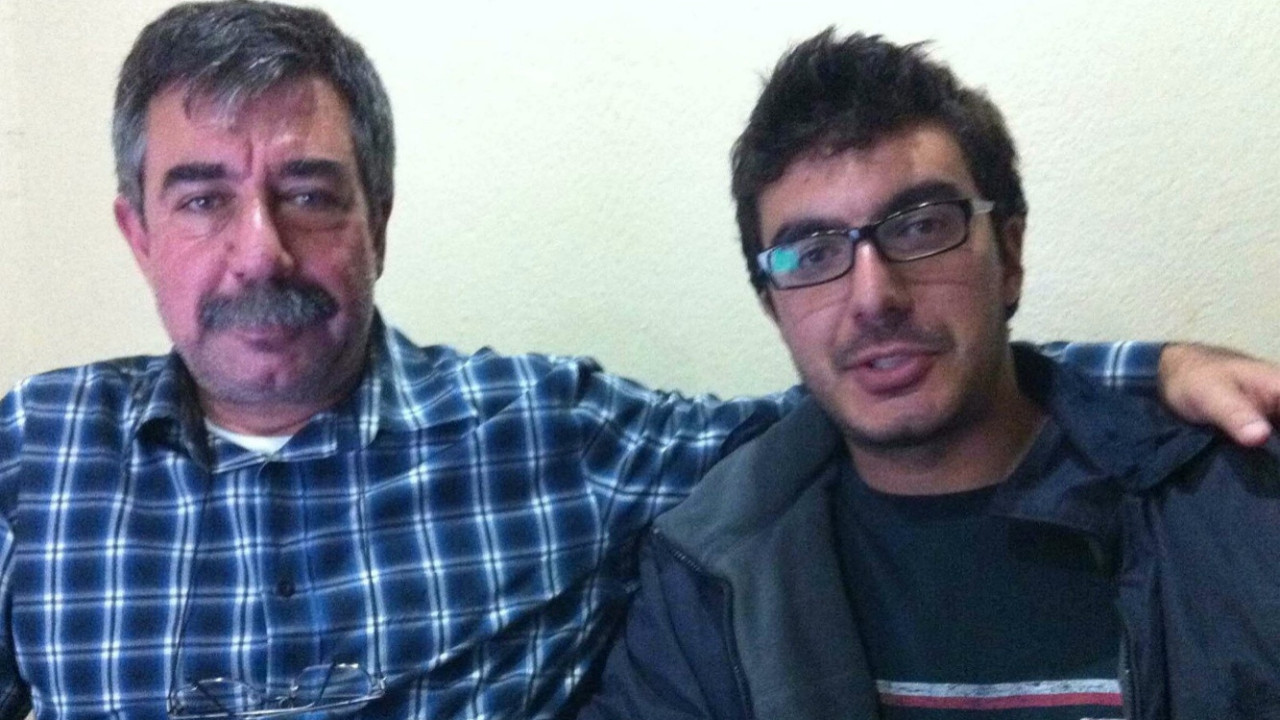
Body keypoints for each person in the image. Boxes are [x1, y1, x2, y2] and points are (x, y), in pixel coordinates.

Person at [0, 4, 1275, 719]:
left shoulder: (552, 438)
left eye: (310, 194)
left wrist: (1140, 375)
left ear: (377, 219)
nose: (259, 251)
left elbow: (879, 375)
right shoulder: (27, 457)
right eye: (202, 199)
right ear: (135, 230)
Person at [579, 29, 1280, 720]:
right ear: (773, 307)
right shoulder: (708, 575)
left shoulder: (1234, 506)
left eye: (920, 226)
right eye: (813, 254)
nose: (873, 297)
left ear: (1009, 255)